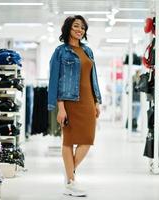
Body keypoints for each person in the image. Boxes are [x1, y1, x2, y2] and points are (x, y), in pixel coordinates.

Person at [48, 15, 102, 197]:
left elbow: (93, 77)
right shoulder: (60, 52)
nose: (80, 30)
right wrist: (60, 107)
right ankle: (71, 182)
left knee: (87, 139)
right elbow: (55, 80)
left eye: (83, 27)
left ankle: (69, 173)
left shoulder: (88, 51)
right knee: (69, 140)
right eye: (76, 26)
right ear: (68, 29)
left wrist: (97, 101)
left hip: (87, 101)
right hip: (69, 101)